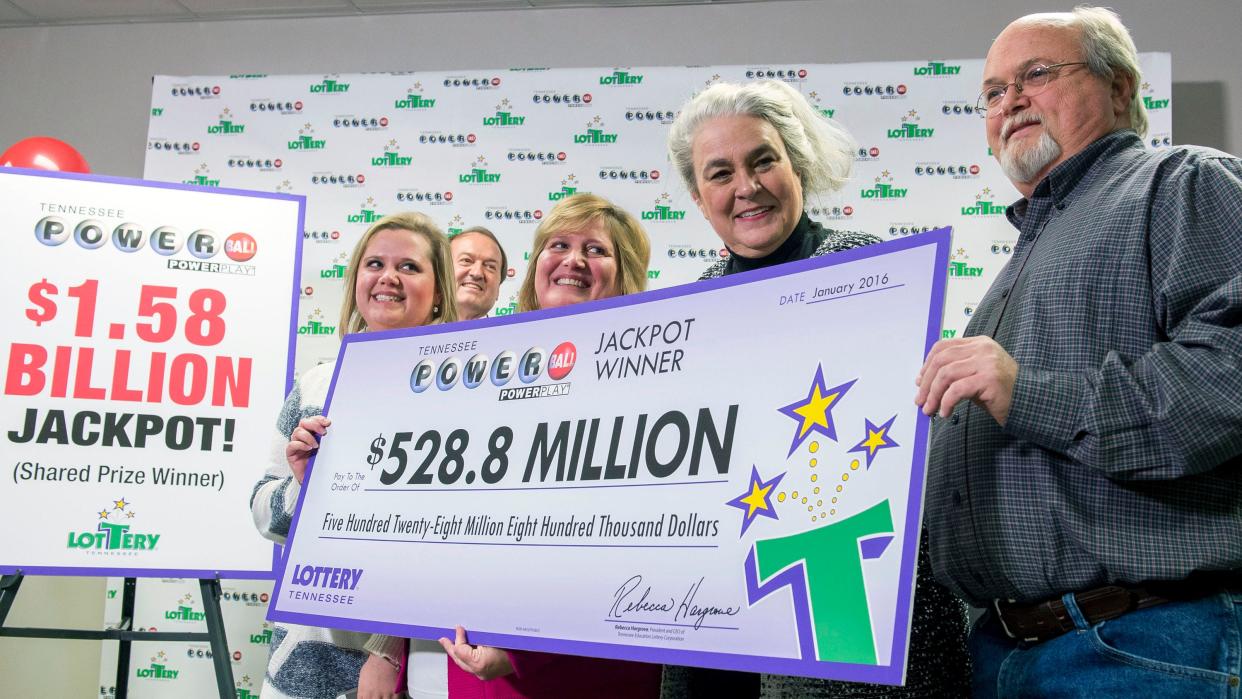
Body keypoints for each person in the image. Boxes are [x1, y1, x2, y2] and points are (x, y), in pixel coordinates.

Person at [915, 7, 1242, 697]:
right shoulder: (1022, 258)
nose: (1012, 101)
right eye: (994, 92)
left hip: (1138, 644)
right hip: (1006, 649)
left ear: (1120, 88)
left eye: (1037, 74)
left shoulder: (1185, 184)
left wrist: (1024, 392)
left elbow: (1228, 384)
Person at [663, 79, 971, 697]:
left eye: (763, 160)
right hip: (725, 615)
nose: (745, 187)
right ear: (700, 198)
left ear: (795, 165)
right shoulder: (691, 307)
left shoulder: (870, 271)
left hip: (857, 602)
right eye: (720, 173)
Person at [437, 193, 661, 699]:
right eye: (558, 244)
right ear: (536, 265)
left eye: (596, 250)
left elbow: (642, 538)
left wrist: (520, 651)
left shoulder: (653, 381)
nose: (573, 260)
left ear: (624, 274)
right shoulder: (482, 369)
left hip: (589, 664)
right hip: (475, 651)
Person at [251, 212, 459, 699]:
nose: (388, 277)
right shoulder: (314, 384)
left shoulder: (460, 392)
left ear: (438, 294)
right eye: (375, 264)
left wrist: (385, 650)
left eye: (408, 266)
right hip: (298, 663)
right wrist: (302, 485)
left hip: (399, 671)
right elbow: (262, 513)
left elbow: (449, 542)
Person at [451, 226, 507, 320]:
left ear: (498, 289)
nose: (477, 273)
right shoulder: (418, 332)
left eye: (490, 266)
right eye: (466, 260)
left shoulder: (516, 334)